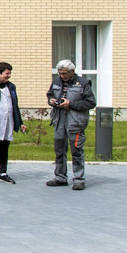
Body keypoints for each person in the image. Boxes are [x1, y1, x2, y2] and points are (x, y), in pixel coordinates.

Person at [46, 59, 96, 190]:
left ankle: (79, 179)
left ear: (72, 72)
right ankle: (60, 177)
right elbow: (50, 94)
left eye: (64, 74)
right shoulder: (56, 81)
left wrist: (71, 104)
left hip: (76, 122)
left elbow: (91, 103)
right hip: (59, 121)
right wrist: (51, 100)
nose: (62, 76)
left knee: (77, 151)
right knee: (59, 150)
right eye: (60, 73)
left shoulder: (83, 83)